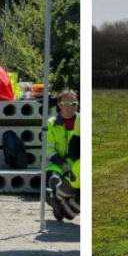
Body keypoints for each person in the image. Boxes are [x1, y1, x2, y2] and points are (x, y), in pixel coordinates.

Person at [44, 90, 80, 221]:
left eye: (73, 103)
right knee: (52, 177)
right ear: (59, 105)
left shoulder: (82, 121)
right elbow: (48, 150)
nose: (69, 107)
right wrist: (63, 165)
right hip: (57, 164)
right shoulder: (51, 123)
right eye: (66, 103)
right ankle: (57, 195)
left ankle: (59, 207)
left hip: (77, 164)